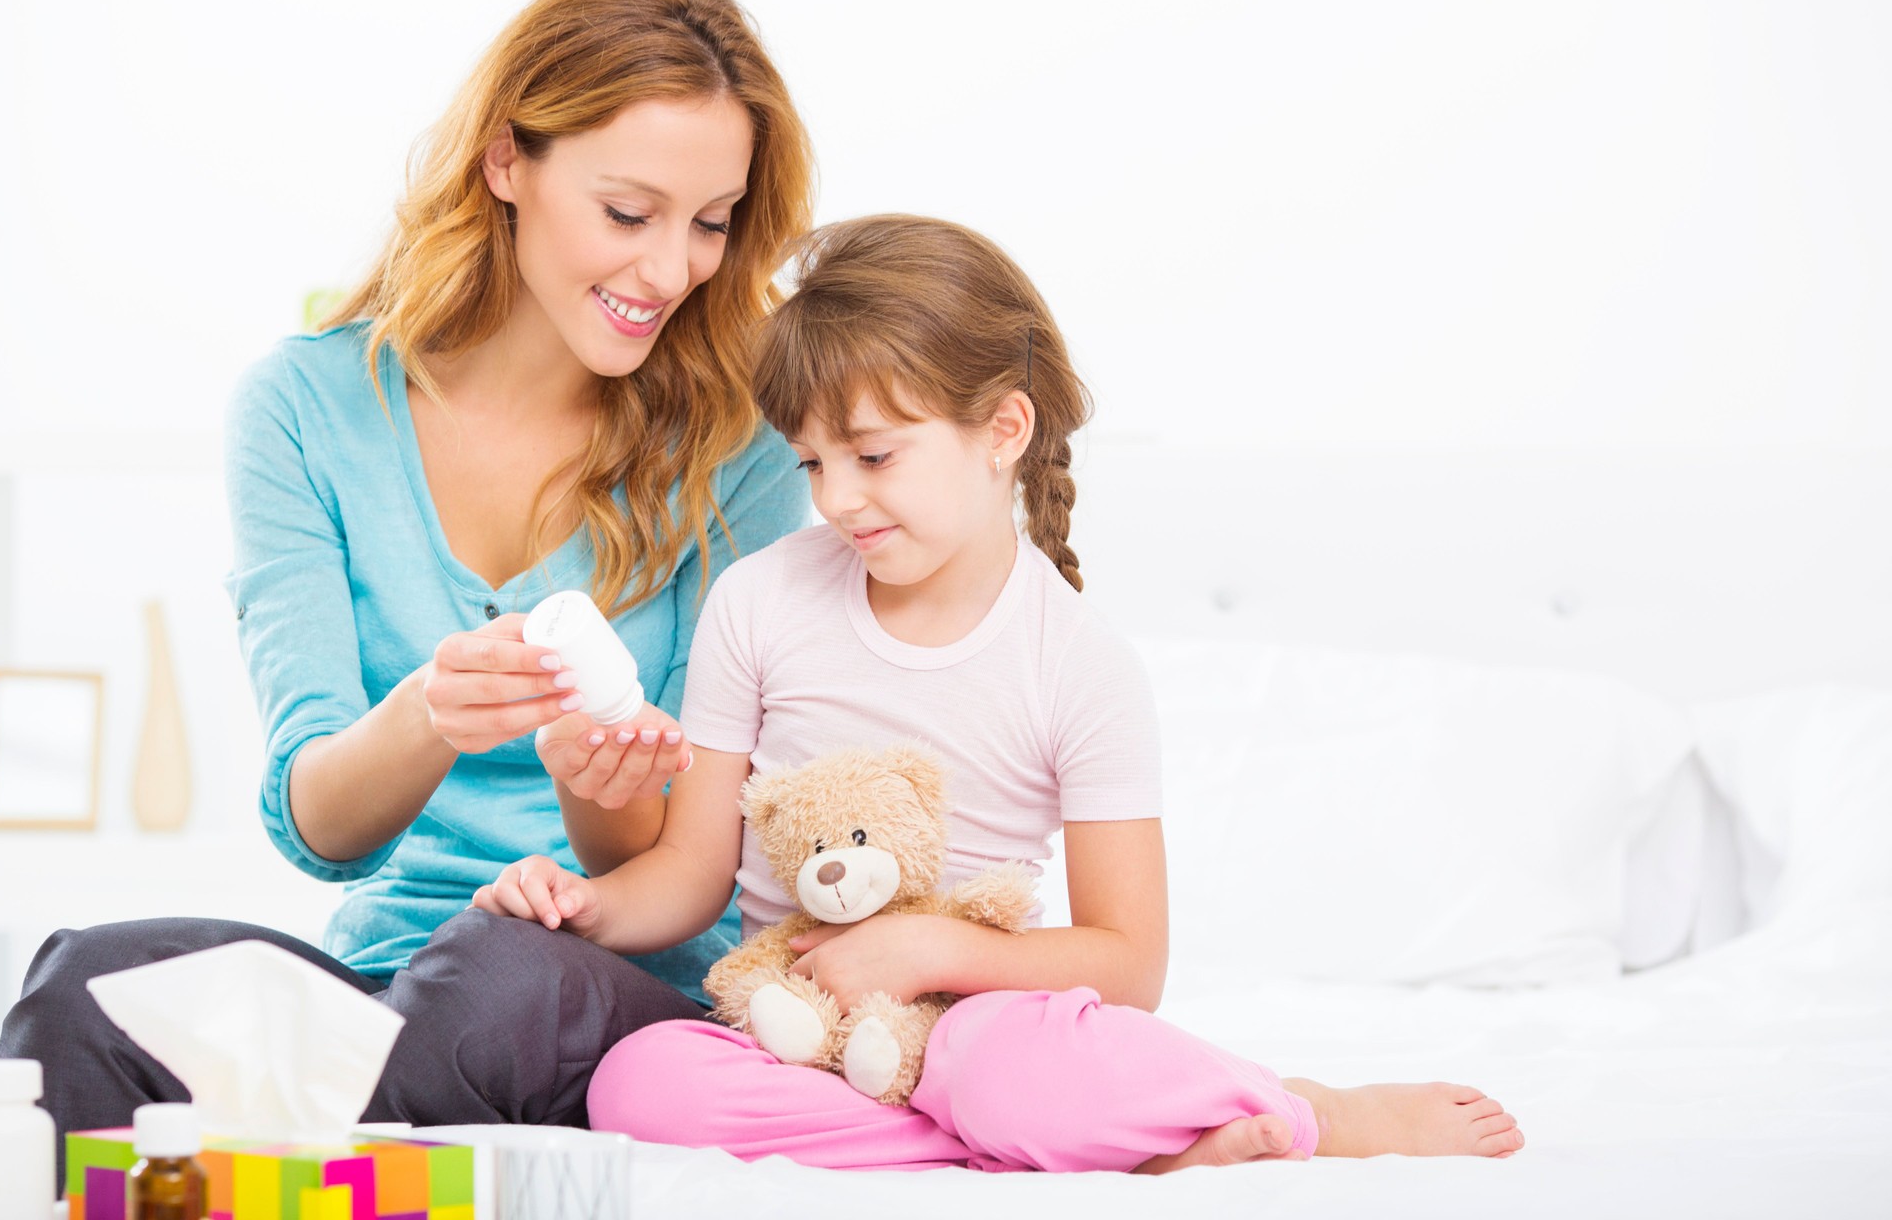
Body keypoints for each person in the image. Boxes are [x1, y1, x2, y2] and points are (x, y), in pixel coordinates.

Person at [475, 214, 1527, 1171]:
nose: (838, 497)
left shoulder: (1077, 662)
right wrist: (586, 906)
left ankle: (1316, 1115)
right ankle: (1060, 1140)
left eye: (876, 454)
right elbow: (692, 873)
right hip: (803, 1028)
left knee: (998, 1066)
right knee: (640, 1080)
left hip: (982, 1021)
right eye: (812, 461)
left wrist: (938, 947)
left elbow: (1128, 961)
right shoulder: (761, 603)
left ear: (1002, 429)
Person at [0, 0, 815, 1187]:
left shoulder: (738, 452)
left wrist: (592, 786)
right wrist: (425, 714)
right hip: (383, 976)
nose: (673, 270)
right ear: (506, 163)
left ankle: (281, 1126)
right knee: (83, 989)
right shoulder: (307, 408)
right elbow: (318, 823)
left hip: (602, 977)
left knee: (493, 979)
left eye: (712, 222)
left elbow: (685, 874)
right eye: (629, 212)